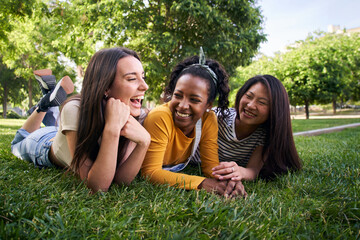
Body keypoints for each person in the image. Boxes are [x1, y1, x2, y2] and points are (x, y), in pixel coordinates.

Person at [11, 47, 151, 193]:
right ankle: (44, 104)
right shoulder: (75, 110)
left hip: (62, 133)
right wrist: (112, 129)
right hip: (42, 145)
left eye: (143, 77)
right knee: (18, 141)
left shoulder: (135, 115)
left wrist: (144, 142)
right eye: (132, 79)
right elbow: (97, 187)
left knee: (55, 126)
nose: (145, 86)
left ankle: (50, 98)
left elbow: (119, 182)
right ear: (105, 87)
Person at [141, 48, 246, 196]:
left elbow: (210, 167)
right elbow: (150, 172)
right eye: (178, 95)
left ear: (208, 105)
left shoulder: (208, 119)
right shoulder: (160, 117)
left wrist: (227, 181)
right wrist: (202, 183)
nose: (183, 105)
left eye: (194, 100)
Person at [211, 75, 302, 191]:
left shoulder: (264, 136)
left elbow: (253, 170)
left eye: (262, 102)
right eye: (248, 96)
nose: (250, 105)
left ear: (274, 110)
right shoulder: (219, 117)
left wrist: (239, 172)